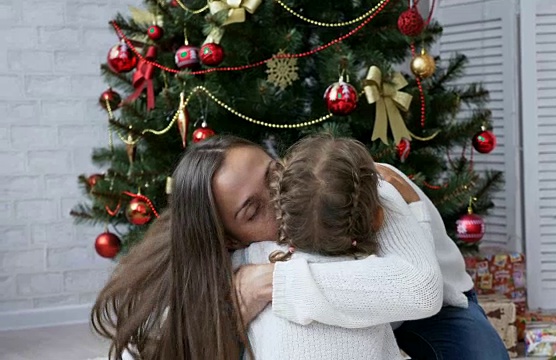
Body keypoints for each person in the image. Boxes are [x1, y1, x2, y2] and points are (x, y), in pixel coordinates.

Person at [92, 134, 508, 360]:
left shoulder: (356, 187)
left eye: (273, 173)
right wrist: (233, 304)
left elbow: (419, 292)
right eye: (254, 209)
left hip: (435, 307)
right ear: (229, 237)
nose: (282, 197)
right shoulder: (223, 251)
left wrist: (271, 282)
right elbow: (153, 337)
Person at [233, 135, 441, 359]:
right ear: (378, 218)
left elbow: (421, 289)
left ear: (283, 212)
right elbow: (417, 289)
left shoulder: (252, 257)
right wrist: (415, 209)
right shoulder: (374, 271)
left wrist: (280, 282)